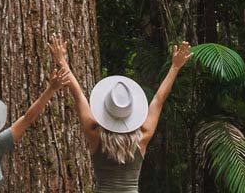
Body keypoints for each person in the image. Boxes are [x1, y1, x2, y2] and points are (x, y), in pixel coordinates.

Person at [47, 35, 191, 192]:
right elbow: (158, 100)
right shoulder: (142, 137)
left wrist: (61, 60)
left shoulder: (94, 134)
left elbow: (78, 95)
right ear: (131, 114)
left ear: (105, 110)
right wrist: (175, 67)